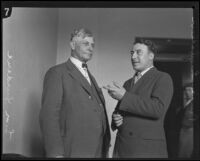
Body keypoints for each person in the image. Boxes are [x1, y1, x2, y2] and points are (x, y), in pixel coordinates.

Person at [39, 28, 110, 158]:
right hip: (72, 150)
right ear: (72, 45)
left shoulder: (90, 77)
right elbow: (48, 117)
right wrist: (55, 154)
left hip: (96, 150)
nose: (90, 48)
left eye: (92, 45)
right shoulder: (57, 73)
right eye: (86, 44)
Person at [103, 38, 174, 158]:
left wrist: (124, 96)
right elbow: (121, 111)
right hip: (123, 147)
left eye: (138, 52)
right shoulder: (127, 83)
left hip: (146, 149)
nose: (133, 57)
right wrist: (116, 118)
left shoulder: (163, 78)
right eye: (132, 53)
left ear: (151, 56)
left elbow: (157, 109)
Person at [177, 83, 195, 158]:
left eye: (190, 90)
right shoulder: (187, 102)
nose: (187, 92)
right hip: (183, 129)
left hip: (190, 131)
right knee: (182, 152)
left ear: (194, 91)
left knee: (186, 152)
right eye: (186, 90)